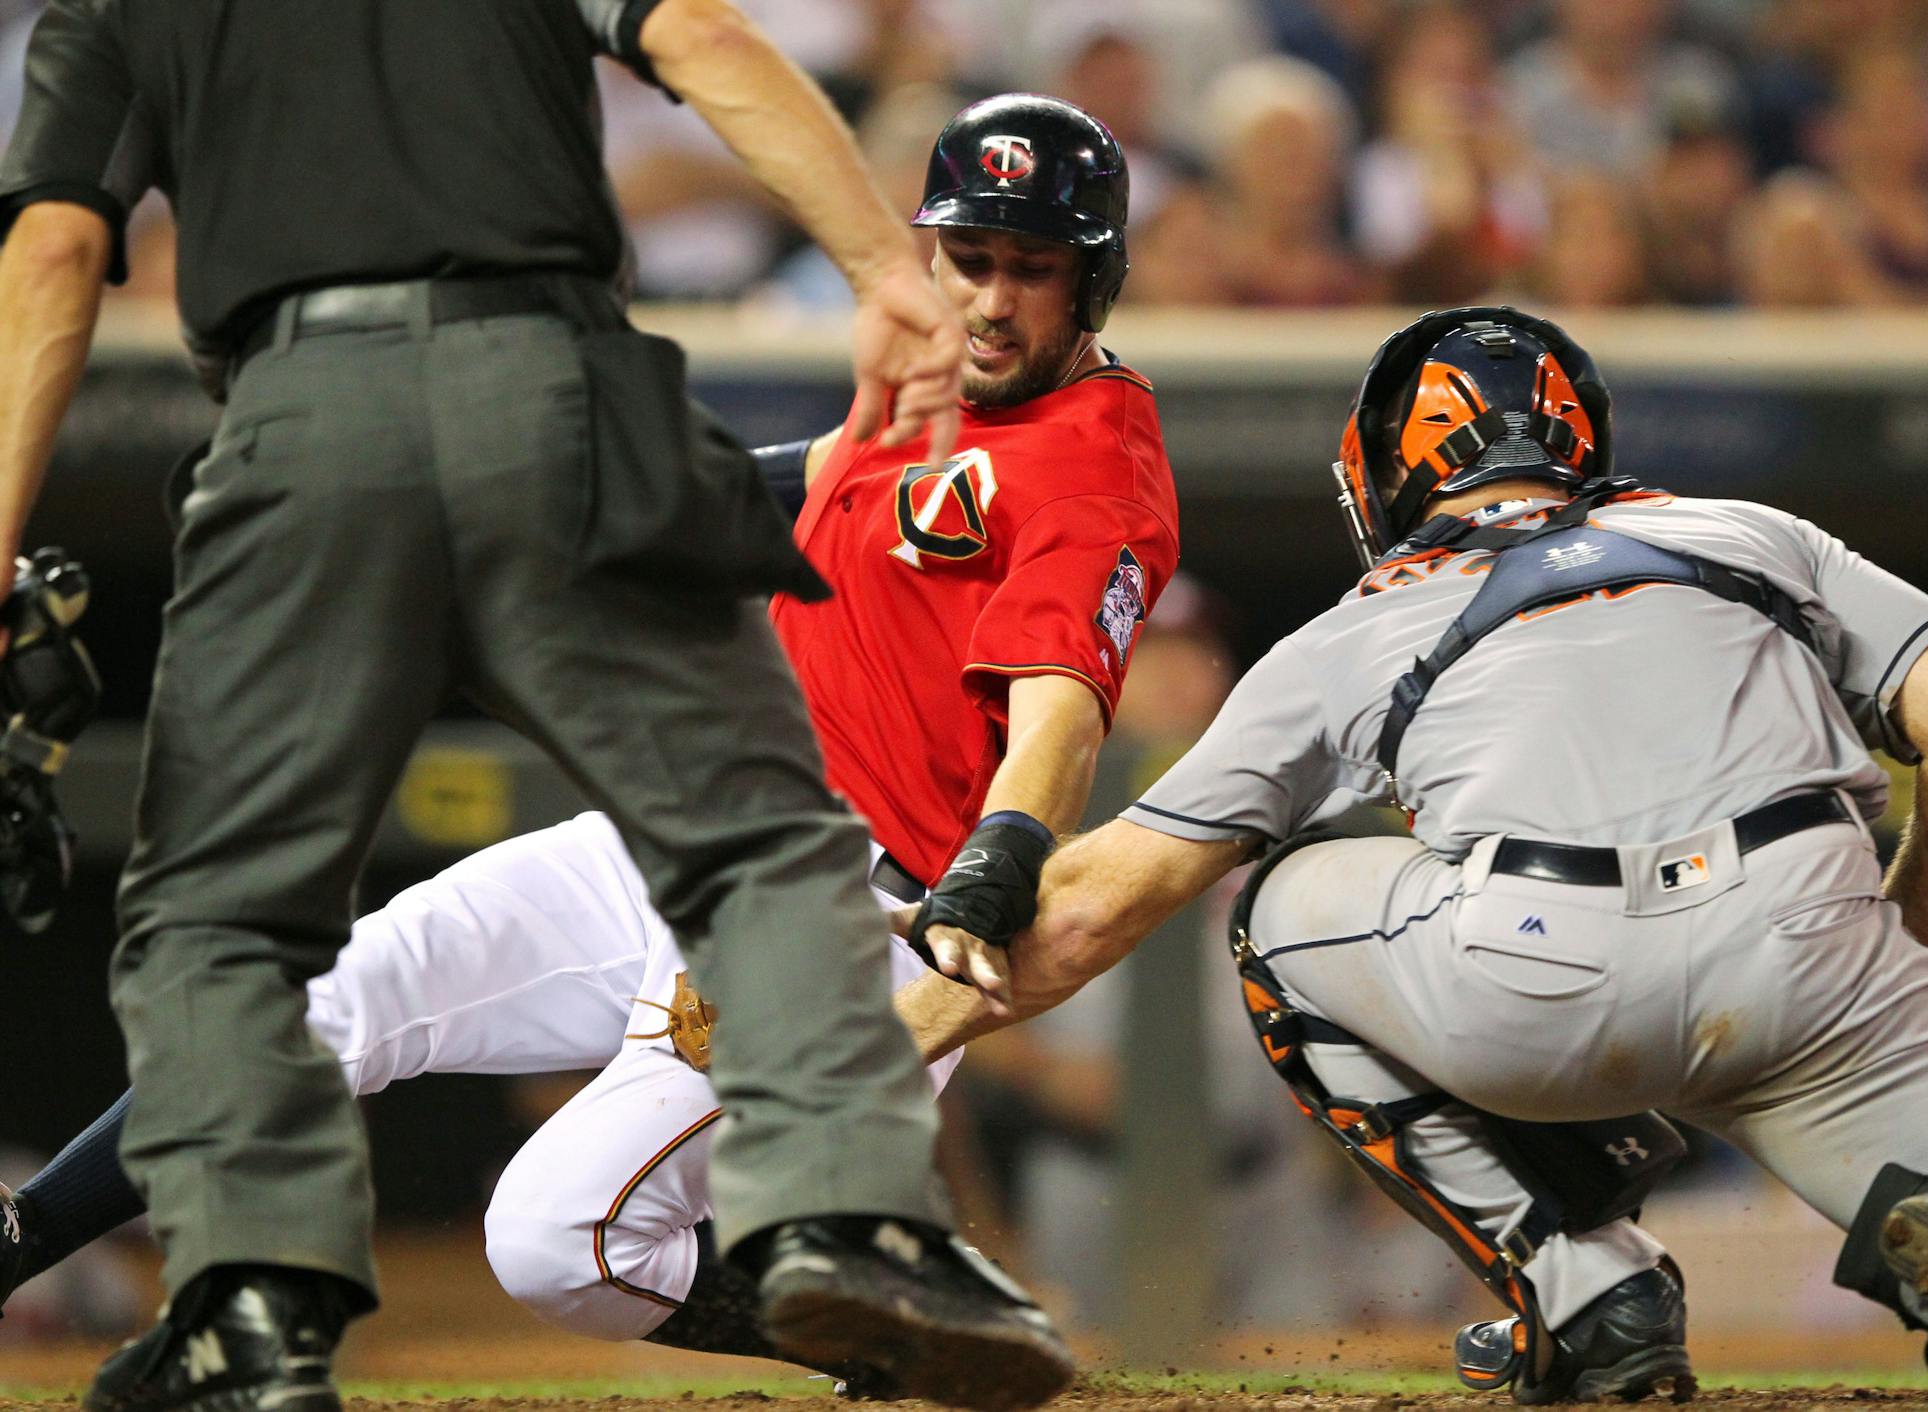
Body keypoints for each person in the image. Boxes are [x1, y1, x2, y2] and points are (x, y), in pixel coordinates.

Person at [0, 90, 1176, 1395]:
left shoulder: (1092, 468)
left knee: (554, 1240)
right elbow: (834, 475)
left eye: (1035, 268)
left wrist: (1007, 849)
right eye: (971, 257)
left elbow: (1059, 710)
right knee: (315, 999)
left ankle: (911, 1331)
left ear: (1095, 281)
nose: (994, 300)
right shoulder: (926, 373)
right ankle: (19, 1239)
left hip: (841, 913)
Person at [897, 306, 1928, 1405]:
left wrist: (871, 1040)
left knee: (1275, 910)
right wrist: (1901, 944)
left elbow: (1094, 906)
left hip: (1544, 974)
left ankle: (1587, 1287)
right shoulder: (1748, 531)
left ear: (1386, 471)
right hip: (1818, 945)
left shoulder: (1351, 629)